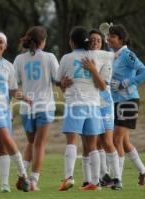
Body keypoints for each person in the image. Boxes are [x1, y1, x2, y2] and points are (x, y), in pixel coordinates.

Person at [57, 26, 106, 191]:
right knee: (92, 145)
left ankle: (68, 177)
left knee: (72, 142)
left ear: (71, 42)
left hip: (75, 104)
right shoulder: (95, 56)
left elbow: (60, 82)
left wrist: (62, 84)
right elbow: (102, 85)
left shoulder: (66, 58)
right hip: (93, 105)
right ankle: (95, 182)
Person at [13, 26, 59, 191]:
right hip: (44, 106)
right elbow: (58, 79)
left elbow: (13, 86)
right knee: (39, 145)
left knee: (31, 143)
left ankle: (22, 176)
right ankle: (33, 181)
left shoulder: (19, 59)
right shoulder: (50, 57)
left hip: (26, 107)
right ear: (43, 42)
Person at [0, 31, 32, 192]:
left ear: (5, 46)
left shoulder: (8, 66)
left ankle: (5, 185)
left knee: (2, 146)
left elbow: (12, 91)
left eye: (0, 42)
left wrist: (24, 97)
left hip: (3, 110)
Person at [107, 24, 145, 186]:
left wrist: (125, 83)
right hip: (116, 102)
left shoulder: (127, 54)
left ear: (121, 39)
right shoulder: (112, 55)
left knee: (115, 139)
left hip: (129, 101)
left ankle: (116, 179)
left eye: (112, 36)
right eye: (108, 36)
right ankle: (143, 170)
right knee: (124, 142)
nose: (108, 39)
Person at [80, 29, 122, 190]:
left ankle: (117, 179)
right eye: (92, 40)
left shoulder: (106, 57)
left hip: (104, 105)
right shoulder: (82, 57)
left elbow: (102, 85)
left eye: (98, 40)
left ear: (101, 42)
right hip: (89, 104)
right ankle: (96, 178)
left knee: (106, 141)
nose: (94, 42)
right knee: (91, 144)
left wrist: (92, 70)